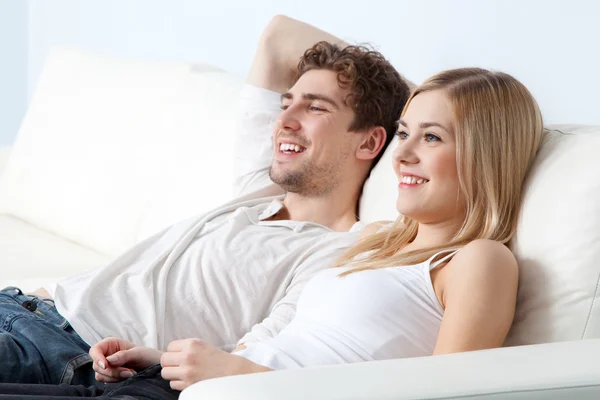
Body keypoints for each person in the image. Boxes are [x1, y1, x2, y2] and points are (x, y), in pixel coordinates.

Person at [0, 66, 547, 400]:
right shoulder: (379, 244)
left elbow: (448, 395)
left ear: (484, 154)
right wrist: (163, 357)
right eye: (404, 132)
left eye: (431, 137)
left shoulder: (478, 260)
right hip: (180, 385)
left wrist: (235, 373)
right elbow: (272, 344)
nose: (401, 154)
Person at [0, 15, 410, 386]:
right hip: (19, 302)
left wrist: (416, 107)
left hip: (64, 350)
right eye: (287, 103)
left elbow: (252, 359)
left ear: (370, 140)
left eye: (315, 107)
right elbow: (277, 36)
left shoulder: (333, 253)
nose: (284, 119)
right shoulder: (260, 190)